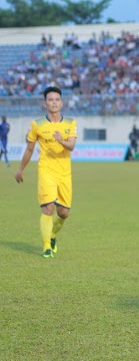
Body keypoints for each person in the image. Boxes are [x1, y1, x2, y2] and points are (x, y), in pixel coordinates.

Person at [15, 87, 77, 258]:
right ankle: (46, 247)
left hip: (64, 173)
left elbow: (71, 146)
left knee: (63, 213)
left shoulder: (71, 122)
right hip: (46, 171)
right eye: (50, 100)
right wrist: (20, 169)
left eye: (57, 99)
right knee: (48, 209)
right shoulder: (37, 125)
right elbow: (29, 149)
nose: (54, 102)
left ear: (62, 103)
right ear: (45, 103)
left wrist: (61, 140)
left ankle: (53, 235)